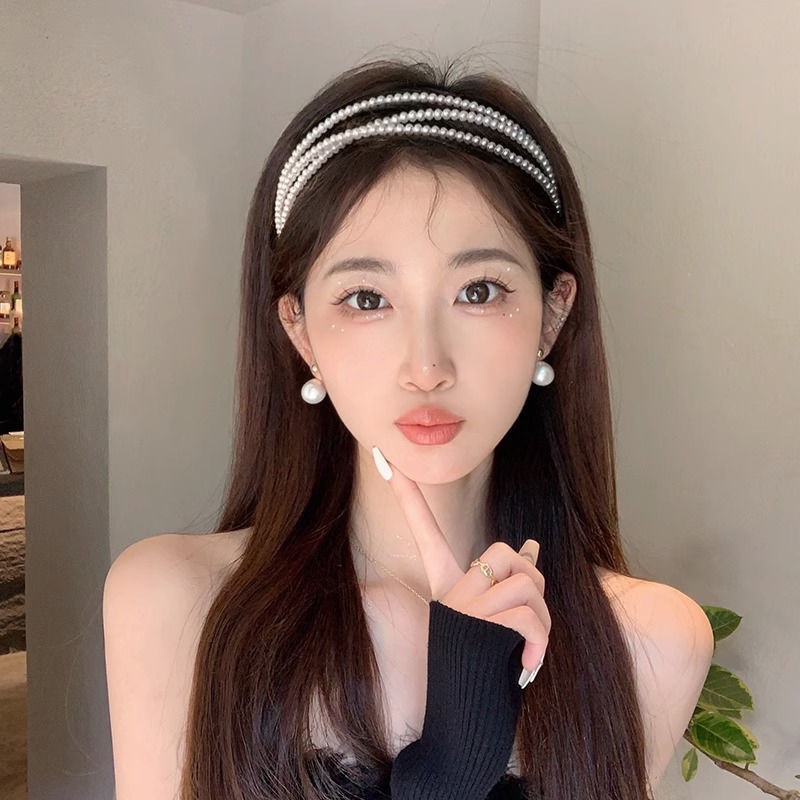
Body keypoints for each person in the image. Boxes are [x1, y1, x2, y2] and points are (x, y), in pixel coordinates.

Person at [102, 57, 715, 800]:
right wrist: (452, 765)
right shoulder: (175, 603)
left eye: (478, 290)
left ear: (552, 316)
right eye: (367, 298)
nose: (426, 367)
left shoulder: (649, 643)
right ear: (299, 331)